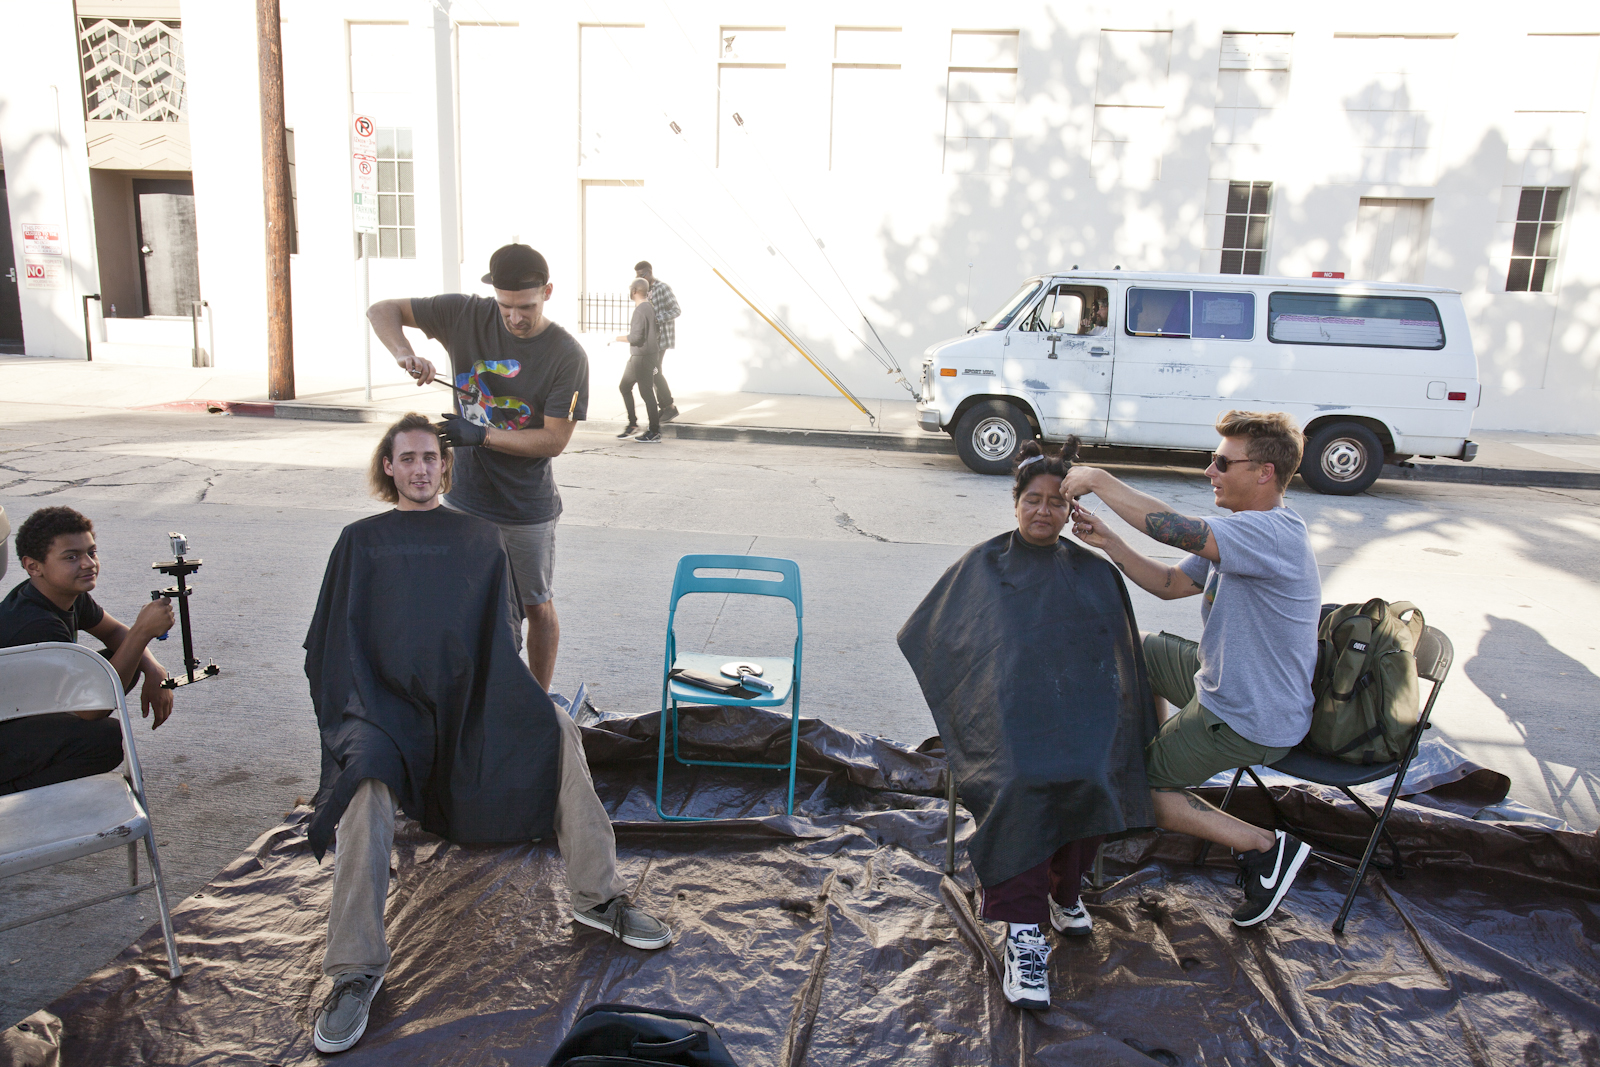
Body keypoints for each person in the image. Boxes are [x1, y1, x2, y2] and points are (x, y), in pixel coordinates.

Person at [306, 414, 672, 1056]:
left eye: (431, 458)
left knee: (556, 725)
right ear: (387, 468)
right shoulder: (359, 541)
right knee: (364, 785)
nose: (420, 469)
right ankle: (353, 969)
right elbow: (335, 643)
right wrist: (364, 713)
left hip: (470, 700)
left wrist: (512, 698)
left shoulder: (480, 538)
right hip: (388, 713)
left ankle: (599, 895)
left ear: (445, 468)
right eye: (407, 459)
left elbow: (505, 636)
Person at [898, 440, 1156, 1011]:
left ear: (1071, 510)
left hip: (1081, 716)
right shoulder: (982, 566)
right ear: (1015, 503)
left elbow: (1117, 660)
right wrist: (977, 701)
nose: (1044, 512)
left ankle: (1064, 894)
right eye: (1033, 500)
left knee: (1092, 772)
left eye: (1056, 503)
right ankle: (1023, 933)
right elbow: (927, 635)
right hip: (1006, 723)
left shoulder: (1094, 572)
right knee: (1020, 781)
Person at [1064, 410, 1320, 928]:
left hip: (1250, 716)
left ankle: (1267, 848)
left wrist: (1098, 479)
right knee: (1134, 647)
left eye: (1223, 462)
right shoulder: (1241, 534)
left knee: (1142, 794)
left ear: (1264, 473)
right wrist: (1109, 540)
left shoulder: (1271, 534)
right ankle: (1159, 760)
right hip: (1223, 684)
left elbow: (1174, 530)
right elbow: (1168, 583)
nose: (1210, 471)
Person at [367, 244, 588, 691]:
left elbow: (554, 439)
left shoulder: (567, 354)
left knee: (535, 606)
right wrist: (405, 353)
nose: (515, 318)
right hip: (466, 499)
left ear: (547, 292)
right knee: (463, 603)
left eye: (526, 306)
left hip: (526, 507)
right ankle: (468, 696)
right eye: (506, 306)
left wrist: (483, 436)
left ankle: (535, 704)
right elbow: (381, 309)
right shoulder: (464, 314)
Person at [0, 506, 176, 794]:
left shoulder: (62, 593)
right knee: (103, 739)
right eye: (71, 557)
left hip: (20, 711)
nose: (87, 563)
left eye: (91, 552)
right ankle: (12, 792)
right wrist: (142, 632)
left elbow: (114, 632)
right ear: (34, 566)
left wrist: (154, 670)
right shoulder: (36, 625)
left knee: (111, 666)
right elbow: (91, 712)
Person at [614, 277, 663, 442]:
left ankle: (655, 431)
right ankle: (633, 425)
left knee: (646, 393)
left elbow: (635, 337)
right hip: (640, 356)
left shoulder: (640, 310)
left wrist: (616, 338)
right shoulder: (649, 307)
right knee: (625, 386)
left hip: (642, 356)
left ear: (634, 291)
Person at [633, 261, 680, 423]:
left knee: (654, 372)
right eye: (637, 275)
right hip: (649, 340)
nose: (640, 278)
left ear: (649, 272)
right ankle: (665, 407)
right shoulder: (645, 290)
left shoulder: (662, 288)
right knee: (652, 372)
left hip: (661, 339)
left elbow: (676, 310)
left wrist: (656, 320)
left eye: (642, 275)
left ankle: (669, 407)